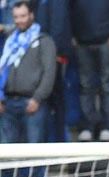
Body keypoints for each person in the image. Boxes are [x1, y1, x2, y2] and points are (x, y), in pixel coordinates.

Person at [69, 0, 109, 141]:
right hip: (82, 41)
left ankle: (107, 126)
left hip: (106, 41)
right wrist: (72, 35)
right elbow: (68, 9)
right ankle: (87, 126)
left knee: (106, 85)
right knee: (85, 86)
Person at [0, 2, 56, 145]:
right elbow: (2, 69)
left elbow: (49, 73)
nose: (19, 20)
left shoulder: (44, 41)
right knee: (6, 153)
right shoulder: (10, 42)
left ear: (31, 15)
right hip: (8, 104)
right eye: (16, 17)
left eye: (23, 16)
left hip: (31, 103)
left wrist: (37, 98)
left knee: (34, 152)